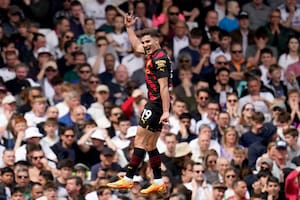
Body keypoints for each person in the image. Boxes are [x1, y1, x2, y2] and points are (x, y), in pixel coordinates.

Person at [107, 12, 172, 194]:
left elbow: (164, 87)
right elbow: (135, 46)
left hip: (156, 104)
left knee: (139, 139)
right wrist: (129, 28)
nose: (144, 45)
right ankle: (158, 181)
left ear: (157, 40)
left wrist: (165, 111)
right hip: (157, 104)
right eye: (144, 42)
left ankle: (128, 178)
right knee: (150, 145)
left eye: (148, 41)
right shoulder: (155, 53)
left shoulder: (159, 60)